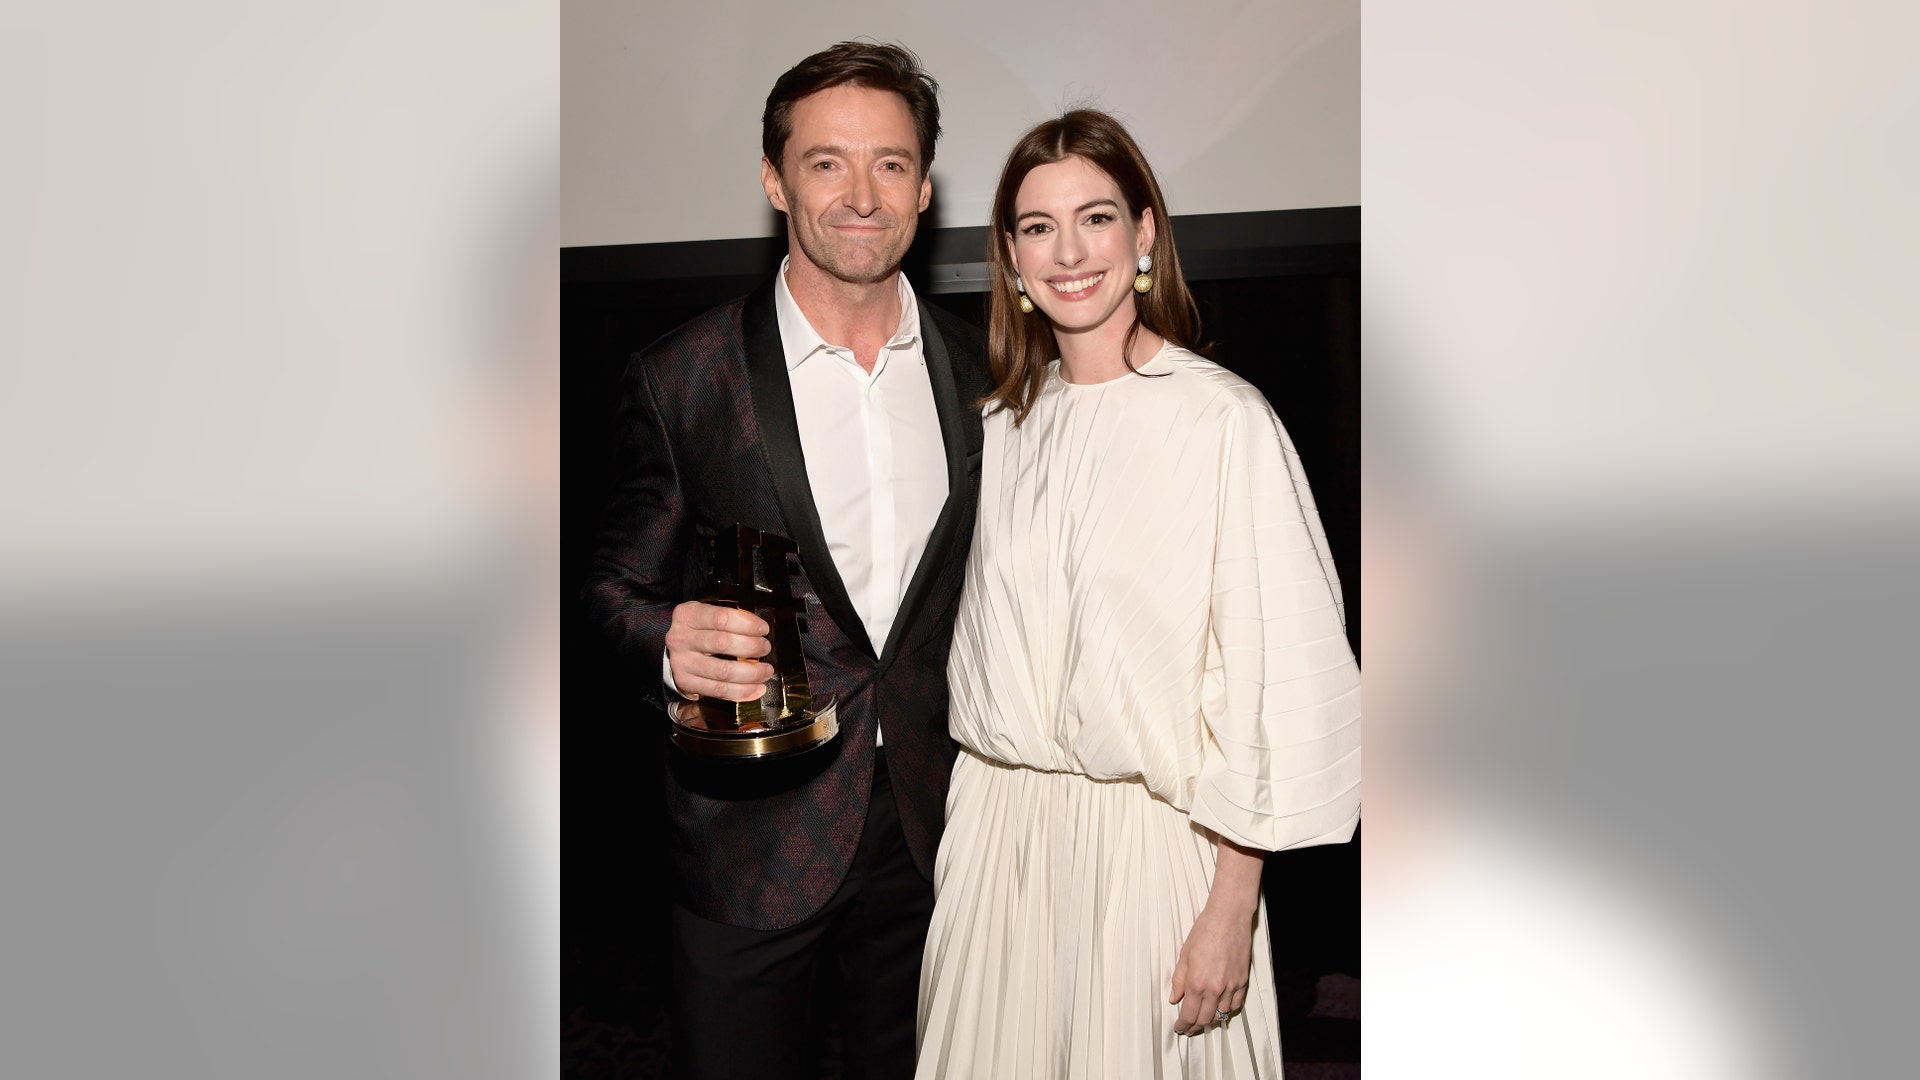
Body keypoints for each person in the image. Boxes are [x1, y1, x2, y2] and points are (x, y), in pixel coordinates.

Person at [915, 110, 1361, 1078]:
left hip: (1156, 850)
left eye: (1097, 218)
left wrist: (1232, 907)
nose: (1069, 252)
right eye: (1037, 227)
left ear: (1146, 233)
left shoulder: (1222, 421)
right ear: (1011, 256)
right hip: (999, 842)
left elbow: (1277, 679)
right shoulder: (1002, 428)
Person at [581, 42, 990, 1080]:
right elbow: (606, 591)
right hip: (751, 845)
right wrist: (668, 644)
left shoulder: (982, 369)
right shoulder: (684, 376)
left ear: (926, 187)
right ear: (775, 180)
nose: (863, 194)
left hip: (938, 832)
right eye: (826, 163)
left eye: (891, 164)